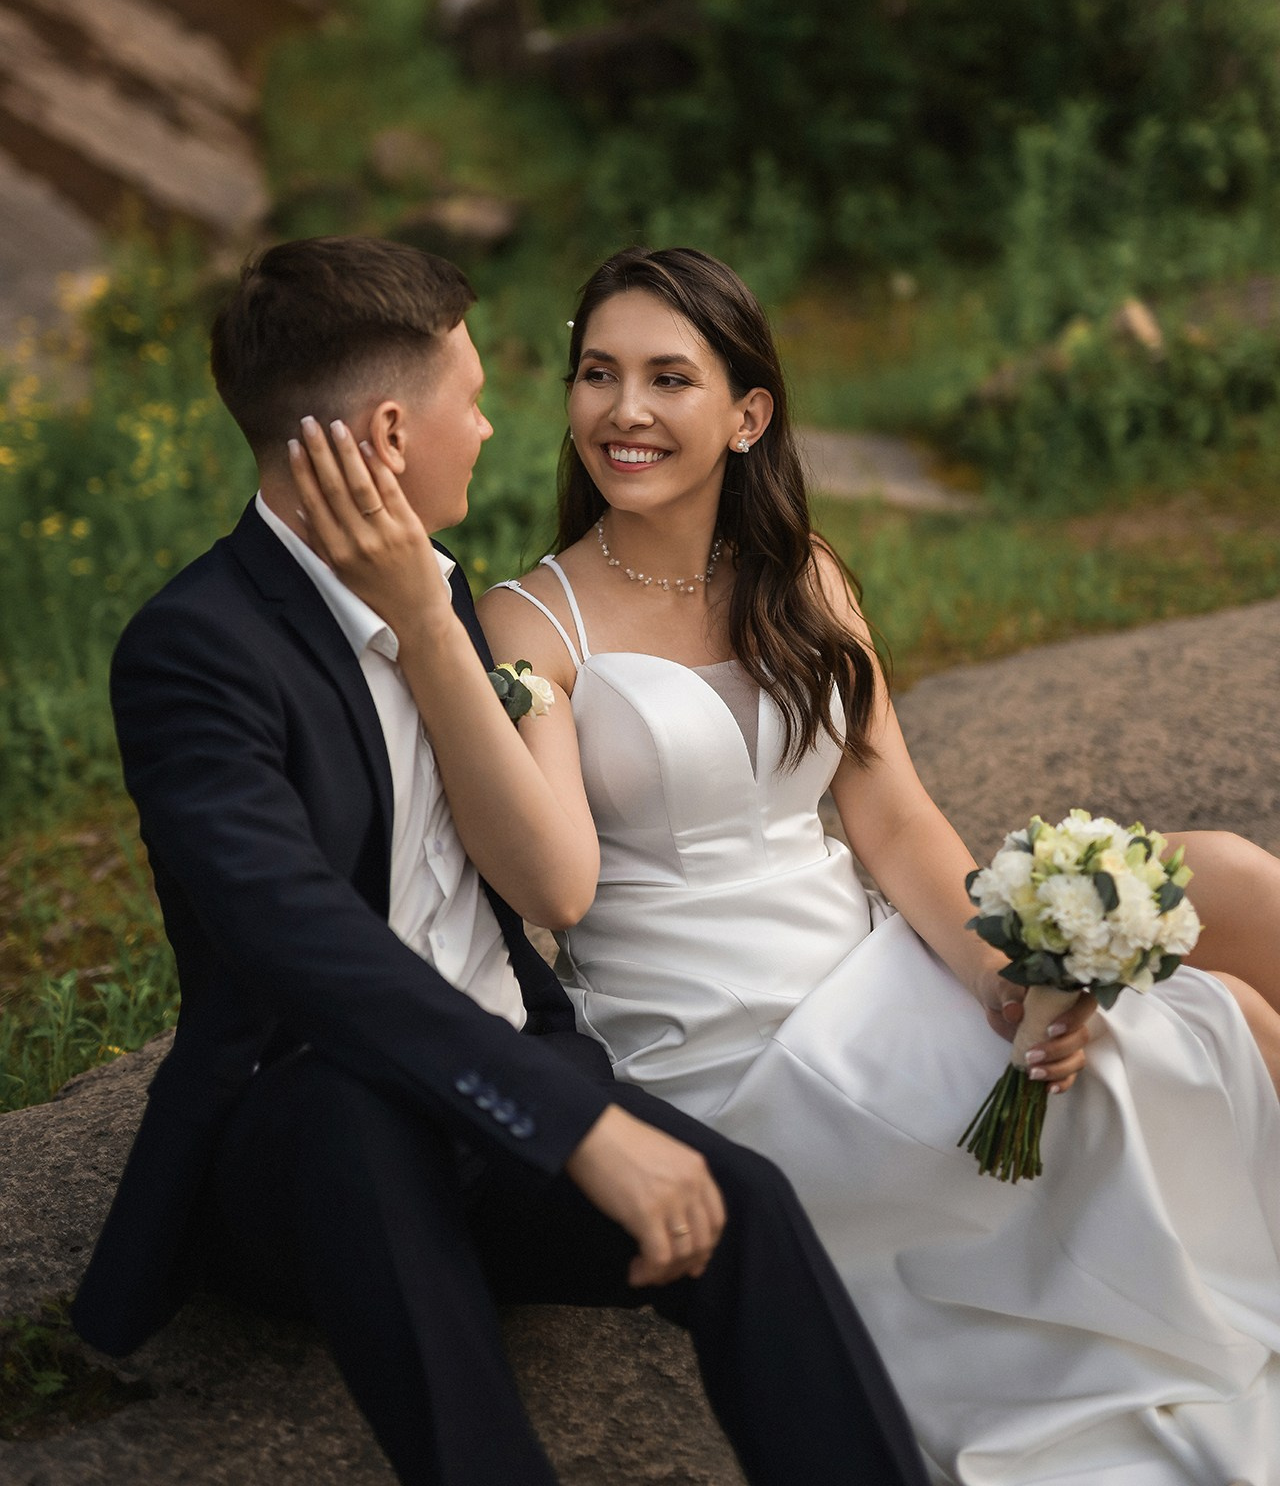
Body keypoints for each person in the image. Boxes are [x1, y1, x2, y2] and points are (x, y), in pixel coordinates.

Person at [310, 244, 1280, 1486]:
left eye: (669, 377)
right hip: (725, 1049)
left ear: (745, 413)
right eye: (596, 374)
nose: (625, 410)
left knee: (1207, 981)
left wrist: (998, 982)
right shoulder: (524, 623)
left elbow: (893, 820)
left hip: (867, 974)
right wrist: (428, 626)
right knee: (1206, 1031)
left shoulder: (802, 579)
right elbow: (554, 891)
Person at [70, 237, 931, 1486]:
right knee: (349, 1111)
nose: (487, 428)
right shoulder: (196, 650)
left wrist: (569, 1104)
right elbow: (306, 950)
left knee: (739, 1204)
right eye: (467, 400)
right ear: (386, 431)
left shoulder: (451, 598)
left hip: (505, 1107)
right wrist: (572, 1123)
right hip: (310, 1144)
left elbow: (545, 877)